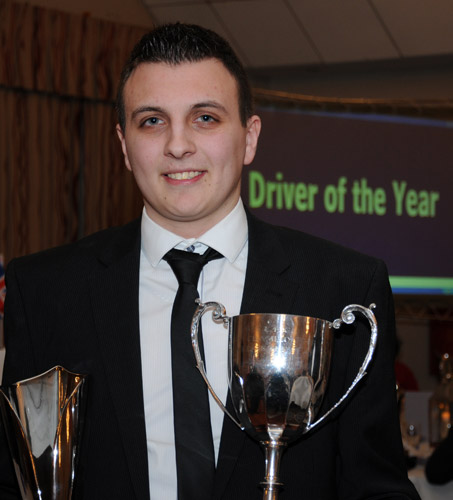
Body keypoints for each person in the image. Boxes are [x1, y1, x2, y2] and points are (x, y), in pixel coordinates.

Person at [0, 23, 420, 499]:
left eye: (205, 117)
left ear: (249, 138)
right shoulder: (45, 290)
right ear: (123, 145)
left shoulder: (343, 286)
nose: (178, 145)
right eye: (152, 121)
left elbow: (377, 488)